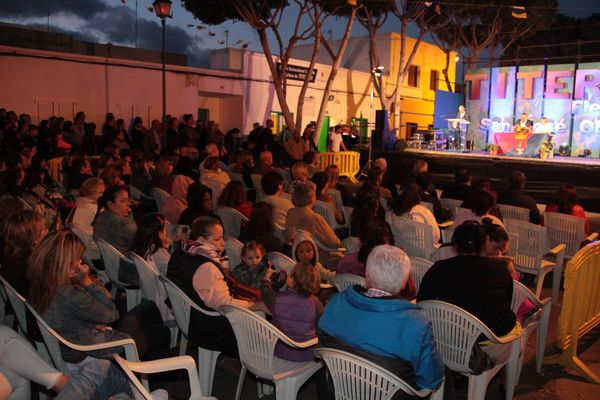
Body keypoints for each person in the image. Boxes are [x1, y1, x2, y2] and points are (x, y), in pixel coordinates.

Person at [27, 230, 170, 384]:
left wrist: (90, 322)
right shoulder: (70, 294)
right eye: (78, 258)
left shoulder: (41, 284)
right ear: (66, 265)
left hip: (77, 345)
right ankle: (144, 381)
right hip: (93, 353)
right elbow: (112, 314)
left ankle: (150, 380)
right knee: (157, 329)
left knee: (151, 317)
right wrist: (87, 280)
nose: (81, 262)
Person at [319, 245, 444, 390]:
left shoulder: (335, 303)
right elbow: (430, 380)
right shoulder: (417, 325)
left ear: (366, 275)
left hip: (342, 389)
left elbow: (322, 341)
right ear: (405, 282)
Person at [167, 216, 256, 355]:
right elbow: (224, 304)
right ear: (202, 240)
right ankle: (257, 359)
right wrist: (252, 305)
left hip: (189, 319)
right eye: (217, 239)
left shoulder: (181, 254)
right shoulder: (206, 266)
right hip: (209, 328)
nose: (223, 243)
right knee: (260, 319)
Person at [417, 221, 517, 337]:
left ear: (455, 247)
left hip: (451, 332)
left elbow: (422, 302)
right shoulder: (500, 269)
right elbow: (507, 302)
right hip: (492, 332)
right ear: (483, 245)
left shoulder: (439, 268)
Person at [262, 262, 322, 361]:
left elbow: (265, 293)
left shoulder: (277, 299)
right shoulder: (316, 303)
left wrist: (267, 278)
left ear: (291, 281)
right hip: (307, 355)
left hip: (281, 352)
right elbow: (321, 329)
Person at [130, 213, 174, 322]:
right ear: (159, 234)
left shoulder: (144, 247)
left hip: (150, 293)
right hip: (164, 300)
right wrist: (168, 250)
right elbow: (172, 271)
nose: (166, 234)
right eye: (165, 231)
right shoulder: (159, 254)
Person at [286, 181, 341, 263]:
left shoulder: (290, 213)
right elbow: (335, 243)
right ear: (311, 198)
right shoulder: (314, 218)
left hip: (297, 256)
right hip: (317, 259)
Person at [0, 210, 47, 297]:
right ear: (35, 239)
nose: (47, 230)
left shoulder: (7, 249)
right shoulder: (31, 265)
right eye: (44, 229)